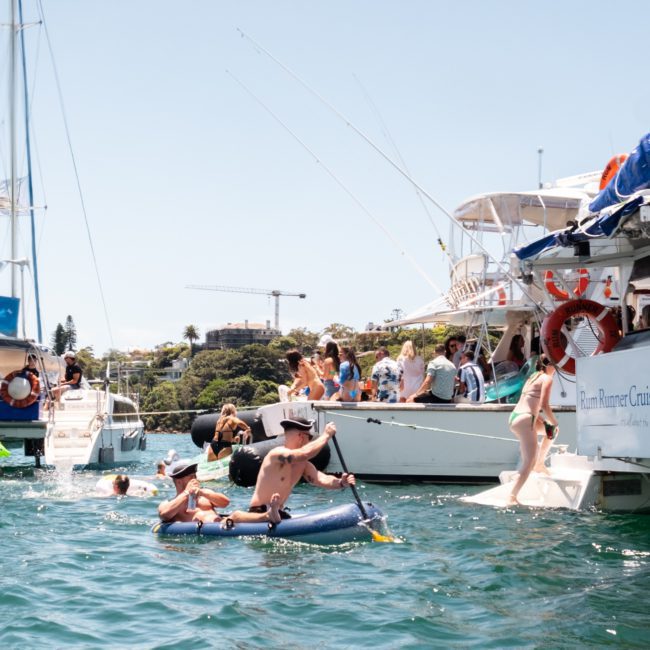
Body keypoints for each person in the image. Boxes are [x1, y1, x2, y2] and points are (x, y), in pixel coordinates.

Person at [224, 418, 355, 526]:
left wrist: (341, 482)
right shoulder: (277, 454)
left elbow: (320, 479)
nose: (310, 440)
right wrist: (326, 435)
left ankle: (272, 514)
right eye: (309, 437)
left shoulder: (303, 465)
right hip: (259, 512)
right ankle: (240, 516)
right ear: (301, 437)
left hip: (278, 513)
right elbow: (304, 454)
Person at [508, 354, 559, 505]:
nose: (556, 370)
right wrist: (554, 421)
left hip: (516, 417)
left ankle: (540, 464)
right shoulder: (547, 379)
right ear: (549, 366)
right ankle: (512, 497)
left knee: (552, 431)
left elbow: (532, 405)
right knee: (529, 461)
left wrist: (548, 424)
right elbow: (544, 405)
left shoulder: (533, 377)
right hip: (525, 420)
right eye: (555, 366)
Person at [158, 460, 230, 524]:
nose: (195, 479)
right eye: (191, 477)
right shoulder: (169, 503)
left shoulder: (205, 493)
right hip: (200, 532)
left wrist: (202, 493)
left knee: (238, 515)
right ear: (179, 482)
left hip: (220, 526)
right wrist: (186, 493)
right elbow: (164, 515)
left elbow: (225, 503)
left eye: (195, 476)